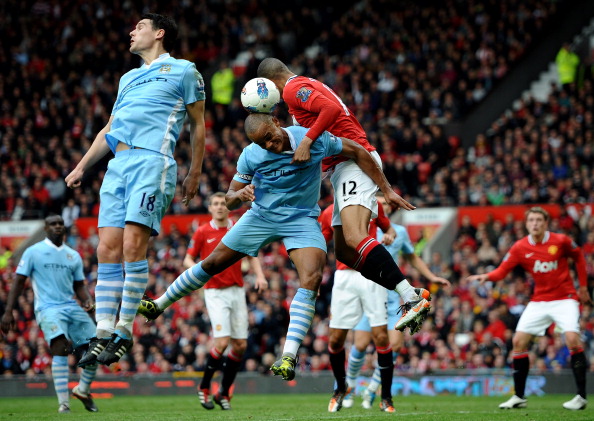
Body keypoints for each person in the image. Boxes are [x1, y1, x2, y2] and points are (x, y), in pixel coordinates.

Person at [137, 113, 412, 383]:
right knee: (211, 263)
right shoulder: (250, 155)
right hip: (261, 217)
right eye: (262, 143)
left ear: (277, 123)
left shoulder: (311, 139)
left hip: (301, 219)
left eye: (269, 137)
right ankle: (159, 304)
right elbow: (230, 196)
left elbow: (357, 150)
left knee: (312, 279)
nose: (268, 145)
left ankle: (288, 356)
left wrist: (385, 189)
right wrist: (238, 195)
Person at [65, 13, 206, 367]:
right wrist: (83, 166)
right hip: (117, 166)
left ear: (159, 34)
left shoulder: (185, 70)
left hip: (152, 162)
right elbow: (109, 127)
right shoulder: (127, 78)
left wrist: (195, 171)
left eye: (139, 27)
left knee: (132, 245)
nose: (132, 31)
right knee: (106, 248)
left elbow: (198, 125)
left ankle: (124, 330)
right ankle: (101, 333)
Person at [257, 58, 431, 332]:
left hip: (354, 161)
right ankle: (409, 292)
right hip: (343, 167)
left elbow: (331, 109)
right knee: (345, 251)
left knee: (354, 236)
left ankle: (410, 296)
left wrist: (307, 140)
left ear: (270, 83)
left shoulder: (293, 88)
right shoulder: (303, 88)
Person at [467, 207, 591, 411]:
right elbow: (502, 271)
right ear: (526, 224)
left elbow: (578, 257)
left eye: (539, 220)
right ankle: (519, 396)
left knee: (571, 338)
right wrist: (486, 277)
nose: (535, 223)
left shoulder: (561, 241)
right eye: (531, 220)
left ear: (546, 223)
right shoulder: (520, 247)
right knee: (518, 341)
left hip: (565, 298)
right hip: (539, 301)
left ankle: (581, 396)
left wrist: (583, 287)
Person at [344, 195, 450, 410]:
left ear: (389, 209)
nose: (381, 206)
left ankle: (372, 389)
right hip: (369, 295)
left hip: (393, 299)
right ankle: (348, 386)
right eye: (378, 203)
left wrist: (431, 277)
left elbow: (412, 258)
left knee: (394, 346)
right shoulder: (360, 229)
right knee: (361, 345)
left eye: (385, 204)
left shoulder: (399, 232)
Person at [1, 215, 99, 414]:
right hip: (48, 308)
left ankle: (82, 390)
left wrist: (87, 300)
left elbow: (79, 285)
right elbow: (19, 281)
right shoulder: (33, 252)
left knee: (98, 347)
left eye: (60, 224)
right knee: (60, 346)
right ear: (46, 228)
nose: (57, 227)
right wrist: (8, 311)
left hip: (71, 306)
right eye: (53, 224)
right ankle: (64, 404)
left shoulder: (73, 255)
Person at [182, 192, 268, 410]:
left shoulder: (237, 227)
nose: (220, 207)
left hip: (237, 290)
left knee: (240, 345)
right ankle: (204, 386)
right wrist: (197, 273)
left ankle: (224, 392)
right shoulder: (202, 231)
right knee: (222, 342)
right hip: (215, 292)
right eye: (216, 204)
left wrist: (259, 275)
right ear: (210, 208)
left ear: (228, 207)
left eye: (223, 203)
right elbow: (187, 258)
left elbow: (251, 254)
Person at [318, 199, 399, 413]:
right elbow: (318, 243)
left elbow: (388, 227)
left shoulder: (374, 205)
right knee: (336, 338)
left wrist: (389, 234)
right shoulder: (329, 212)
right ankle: (340, 389)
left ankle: (386, 397)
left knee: (381, 336)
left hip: (372, 274)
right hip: (344, 277)